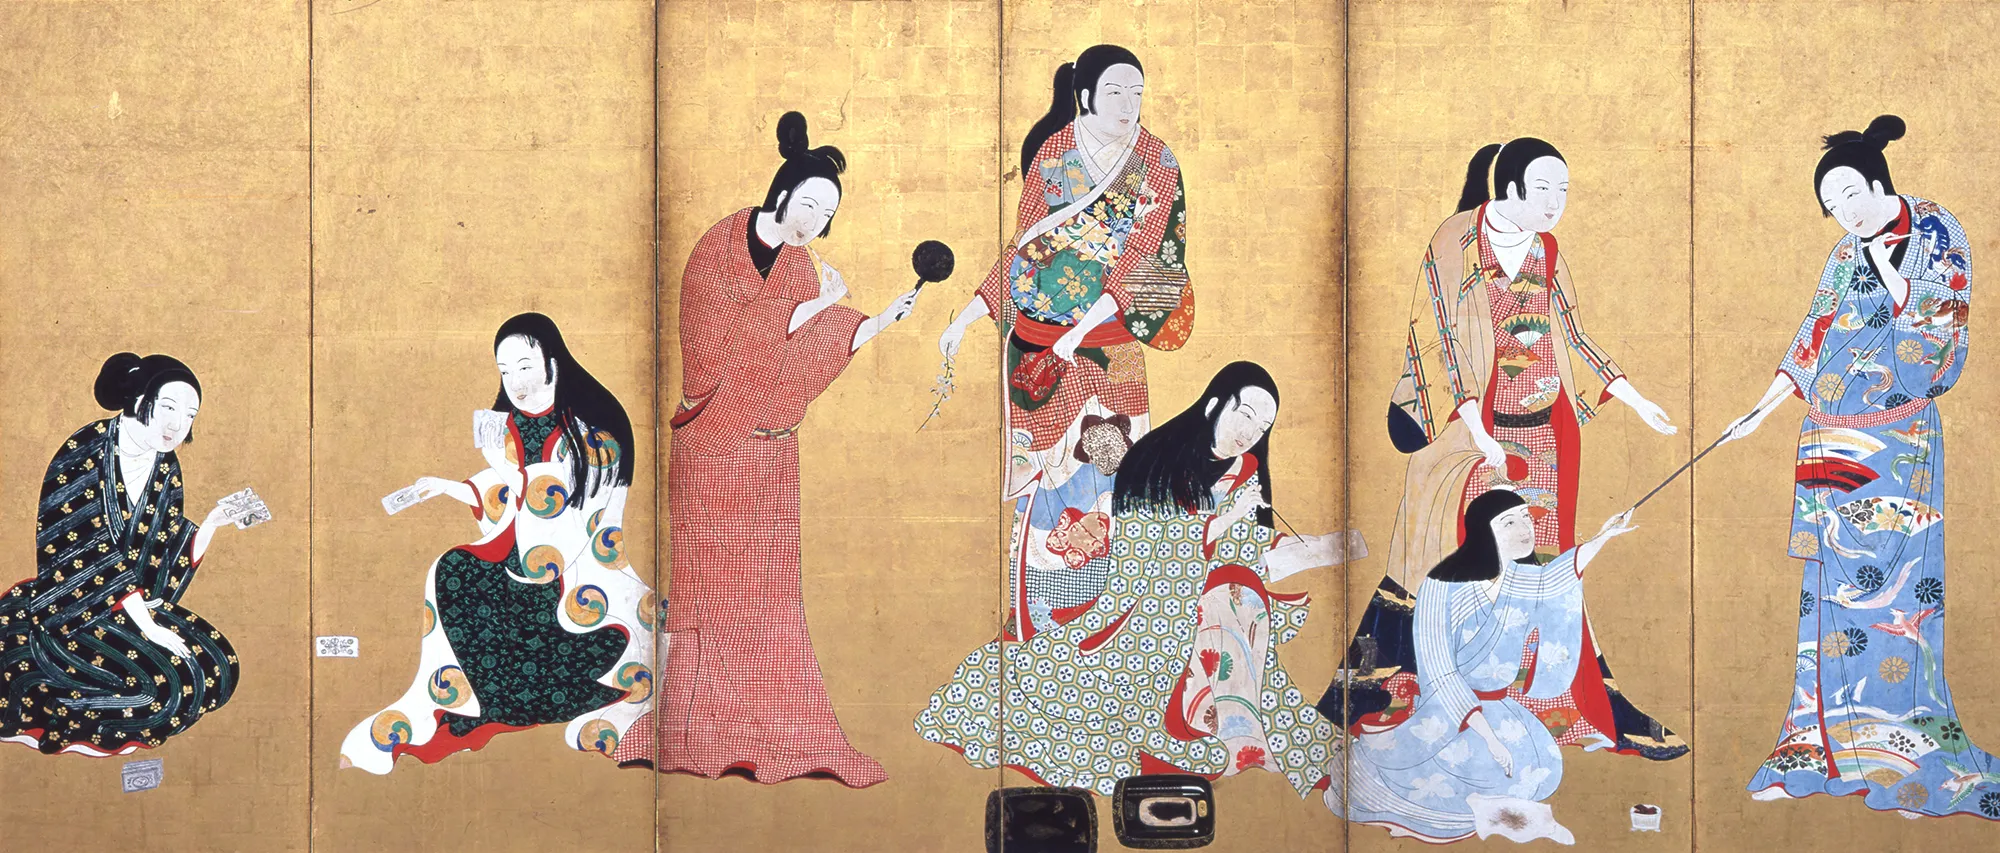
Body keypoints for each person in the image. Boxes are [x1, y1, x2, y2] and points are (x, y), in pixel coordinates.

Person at [1321, 138, 1687, 762]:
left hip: (1542, 432)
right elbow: (1439, 339)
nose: (1556, 202)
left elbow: (1574, 334)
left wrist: (1632, 395)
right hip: (1466, 435)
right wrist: (1479, 431)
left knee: (1539, 560)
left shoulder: (1547, 250)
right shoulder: (1455, 242)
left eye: (1563, 190)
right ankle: (1413, 693)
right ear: (1509, 187)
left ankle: (1558, 703)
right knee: (1450, 558)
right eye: (1544, 189)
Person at [612, 112, 917, 788]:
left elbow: (799, 358)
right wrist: (814, 311)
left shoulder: (803, 268)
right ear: (782, 191)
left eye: (826, 214)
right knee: (708, 595)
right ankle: (698, 731)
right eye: (808, 203)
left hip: (770, 456)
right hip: (713, 444)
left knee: (771, 600)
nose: (813, 221)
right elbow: (715, 358)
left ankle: (776, 729)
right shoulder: (716, 250)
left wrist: (870, 324)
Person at [917, 363, 1363, 796]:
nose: (1250, 434)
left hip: (1210, 600)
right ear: (1213, 406)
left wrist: (1311, 548)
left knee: (1238, 599)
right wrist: (1224, 522)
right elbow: (1144, 552)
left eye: (1262, 428)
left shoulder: (1243, 470)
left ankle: (1246, 729)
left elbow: (1242, 553)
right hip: (1145, 608)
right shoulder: (1156, 457)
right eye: (1244, 415)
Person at [1724, 116, 1995, 819]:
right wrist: (1761, 409)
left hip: (1899, 446)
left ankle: (1906, 761)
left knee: (1898, 604)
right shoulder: (1846, 252)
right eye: (1831, 204)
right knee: (1828, 602)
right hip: (1828, 441)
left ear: (1878, 180)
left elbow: (1937, 340)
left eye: (1849, 193)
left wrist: (1887, 267)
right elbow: (1813, 335)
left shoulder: (1936, 233)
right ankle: (1817, 751)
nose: (1843, 212)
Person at [937, 44, 1196, 640]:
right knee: (1043, 485)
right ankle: (1036, 614)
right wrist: (969, 317)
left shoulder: (1157, 162)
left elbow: (1151, 261)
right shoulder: (1055, 152)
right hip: (1034, 349)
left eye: (1137, 93)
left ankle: (1107, 616)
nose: (1128, 105)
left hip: (1108, 350)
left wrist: (1080, 331)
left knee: (1110, 474)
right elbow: (1023, 249)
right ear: (1084, 96)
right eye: (1115, 92)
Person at [340, 314, 655, 774]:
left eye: (525, 367)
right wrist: (449, 486)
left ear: (553, 362)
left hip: (568, 566)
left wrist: (507, 471)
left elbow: (561, 504)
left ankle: (523, 700)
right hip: (514, 548)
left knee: (495, 586)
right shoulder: (506, 424)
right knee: (454, 568)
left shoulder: (591, 430)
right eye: (505, 371)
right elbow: (504, 489)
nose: (516, 382)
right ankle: (494, 701)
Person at [1327, 490, 1638, 844]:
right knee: (1477, 774)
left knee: (1545, 769)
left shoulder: (1519, 579)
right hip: (1451, 713)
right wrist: (1490, 739)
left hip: (1501, 708)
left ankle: (1500, 813)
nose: (1525, 528)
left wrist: (1605, 535)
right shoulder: (1442, 585)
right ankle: (1495, 816)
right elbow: (1439, 671)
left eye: (1526, 518)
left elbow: (1557, 578)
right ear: (1482, 531)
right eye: (1510, 522)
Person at [0, 354, 253, 755]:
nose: (178, 425)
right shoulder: (85, 449)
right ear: (138, 398)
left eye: (190, 415)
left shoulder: (165, 466)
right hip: (72, 605)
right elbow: (84, 550)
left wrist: (210, 525)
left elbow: (160, 556)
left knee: (219, 665)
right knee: (164, 689)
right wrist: (149, 628)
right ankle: (65, 712)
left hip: (131, 604)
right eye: (168, 407)